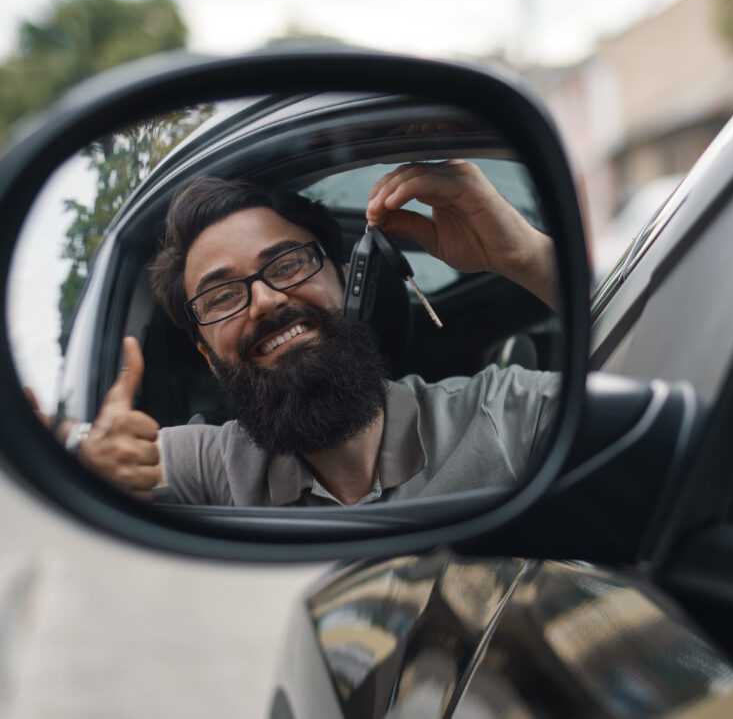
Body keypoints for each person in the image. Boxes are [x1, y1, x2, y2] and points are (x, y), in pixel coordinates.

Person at [66, 160, 561, 506]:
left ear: (347, 283)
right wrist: (89, 459)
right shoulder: (210, 466)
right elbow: (80, 458)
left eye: (286, 264)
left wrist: (522, 256)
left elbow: (637, 374)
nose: (265, 300)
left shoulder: (499, 412)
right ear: (208, 356)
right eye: (221, 297)